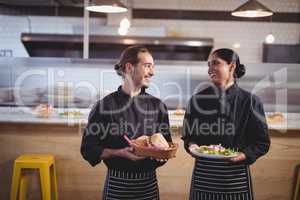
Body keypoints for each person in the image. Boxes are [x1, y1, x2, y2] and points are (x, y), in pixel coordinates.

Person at [80, 45, 172, 200]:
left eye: (153, 67)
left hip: (148, 186)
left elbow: (166, 143)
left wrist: (162, 155)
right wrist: (118, 153)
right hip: (117, 185)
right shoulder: (105, 106)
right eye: (147, 66)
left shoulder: (158, 106)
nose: (152, 72)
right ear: (130, 67)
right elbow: (88, 149)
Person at [182, 48, 270, 200]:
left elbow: (262, 143)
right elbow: (188, 136)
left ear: (232, 66)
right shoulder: (197, 100)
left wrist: (243, 155)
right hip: (204, 177)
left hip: (235, 179)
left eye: (215, 63)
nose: (210, 69)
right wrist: (192, 146)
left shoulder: (250, 101)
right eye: (209, 65)